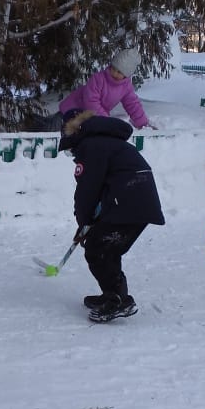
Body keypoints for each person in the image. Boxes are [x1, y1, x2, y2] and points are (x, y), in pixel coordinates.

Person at [57, 111, 164, 322]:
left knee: (98, 250)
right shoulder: (106, 142)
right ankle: (114, 295)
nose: (73, 155)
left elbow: (87, 192)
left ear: (73, 134)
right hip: (136, 203)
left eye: (70, 151)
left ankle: (118, 301)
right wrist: (87, 224)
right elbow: (102, 190)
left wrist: (84, 222)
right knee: (108, 249)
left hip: (127, 203)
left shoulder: (91, 147)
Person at [58, 48, 151, 129]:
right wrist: (105, 121)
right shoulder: (98, 79)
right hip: (69, 111)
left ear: (127, 74)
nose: (114, 73)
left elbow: (133, 105)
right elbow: (91, 102)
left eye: (119, 72)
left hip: (87, 118)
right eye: (113, 68)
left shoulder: (126, 87)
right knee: (54, 130)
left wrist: (143, 123)